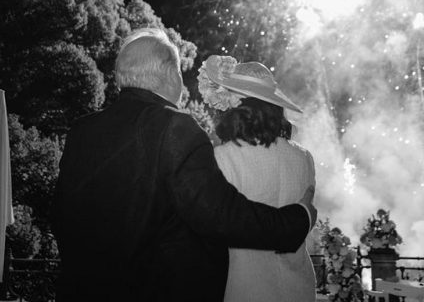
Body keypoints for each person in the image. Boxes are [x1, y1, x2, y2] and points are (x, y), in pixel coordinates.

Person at [51, 28, 316, 302]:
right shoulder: (174, 126)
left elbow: (59, 215)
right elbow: (222, 216)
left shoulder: (82, 130)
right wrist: (299, 219)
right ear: (170, 73)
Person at [198, 56, 317, 302]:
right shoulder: (304, 158)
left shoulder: (221, 159)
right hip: (299, 290)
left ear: (238, 106)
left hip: (245, 290)